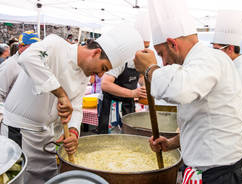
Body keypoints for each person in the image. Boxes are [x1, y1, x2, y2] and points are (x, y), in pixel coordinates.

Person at [1, 25, 144, 183]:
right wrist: (60, 93)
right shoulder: (56, 45)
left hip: (46, 136)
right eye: (103, 68)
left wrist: (75, 132)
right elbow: (27, 58)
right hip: (20, 133)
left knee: (51, 179)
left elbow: (76, 107)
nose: (101, 74)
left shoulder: (83, 75)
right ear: (95, 53)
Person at [133, 0, 242, 183]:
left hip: (218, 173)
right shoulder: (195, 65)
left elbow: (180, 89)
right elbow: (201, 121)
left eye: (161, 54)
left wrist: (150, 69)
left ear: (172, 44)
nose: (163, 62)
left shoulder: (210, 58)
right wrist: (172, 143)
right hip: (205, 167)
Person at [212, 10, 242, 184]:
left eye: (216, 50)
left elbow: (232, 108)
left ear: (230, 49)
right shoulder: (230, 67)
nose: (213, 54)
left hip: (239, 131)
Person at [0, 31, 40, 126]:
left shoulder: (34, 63)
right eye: (33, 47)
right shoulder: (10, 65)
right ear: (21, 47)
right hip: (12, 122)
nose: (37, 50)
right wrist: (3, 116)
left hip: (30, 122)